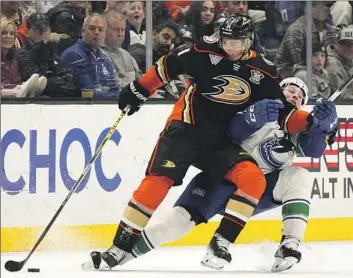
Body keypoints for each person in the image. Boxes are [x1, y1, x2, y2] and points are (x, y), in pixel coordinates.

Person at [84, 14, 298, 270]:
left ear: (249, 41)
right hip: (186, 128)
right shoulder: (201, 51)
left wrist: (311, 124)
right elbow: (168, 65)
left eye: (237, 43)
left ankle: (220, 242)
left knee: (253, 178)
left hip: (221, 140)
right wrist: (140, 88)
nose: (230, 47)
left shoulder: (263, 69)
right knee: (157, 181)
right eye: (227, 41)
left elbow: (283, 110)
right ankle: (119, 247)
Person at [117, 78, 338, 272]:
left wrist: (322, 128)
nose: (294, 96)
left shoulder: (295, 130)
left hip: (256, 192)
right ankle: (124, 253)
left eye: (300, 97)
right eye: (290, 90)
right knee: (176, 225)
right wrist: (253, 117)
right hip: (221, 178)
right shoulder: (255, 105)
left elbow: (313, 150)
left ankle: (289, 244)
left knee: (300, 175)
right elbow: (234, 131)